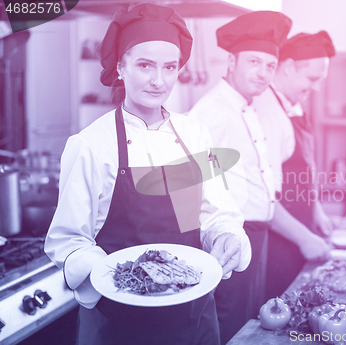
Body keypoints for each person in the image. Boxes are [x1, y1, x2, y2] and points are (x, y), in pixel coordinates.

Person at [44, 4, 250, 345]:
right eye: (144, 65)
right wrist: (114, 273)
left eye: (169, 67)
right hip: (118, 322)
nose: (159, 81)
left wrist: (225, 235)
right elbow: (68, 241)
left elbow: (215, 213)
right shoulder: (91, 145)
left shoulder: (193, 133)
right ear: (120, 67)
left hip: (193, 315)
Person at [189, 11, 330, 344]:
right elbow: (190, 187)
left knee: (251, 327)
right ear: (231, 61)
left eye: (270, 65)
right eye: (255, 62)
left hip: (258, 236)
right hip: (233, 238)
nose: (263, 73)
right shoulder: (212, 112)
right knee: (231, 326)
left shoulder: (246, 107)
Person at [252, 31, 336, 298]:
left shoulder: (294, 105)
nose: (317, 88)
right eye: (313, 79)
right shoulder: (266, 111)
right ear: (288, 67)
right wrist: (305, 238)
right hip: (279, 244)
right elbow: (261, 195)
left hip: (300, 233)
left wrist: (317, 210)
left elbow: (300, 171)